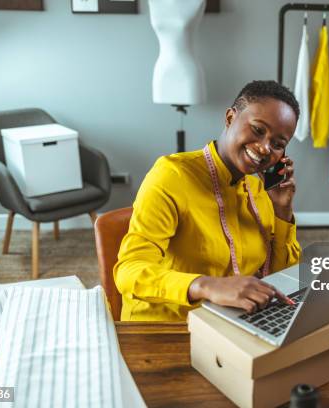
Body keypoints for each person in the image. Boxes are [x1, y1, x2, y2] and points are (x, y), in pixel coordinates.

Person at [114, 80, 302, 321]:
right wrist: (206, 286)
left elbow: (283, 281)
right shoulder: (172, 176)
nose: (266, 149)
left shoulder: (260, 189)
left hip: (234, 322)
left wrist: (282, 211)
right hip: (169, 327)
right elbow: (129, 271)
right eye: (258, 130)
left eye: (278, 144)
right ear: (230, 117)